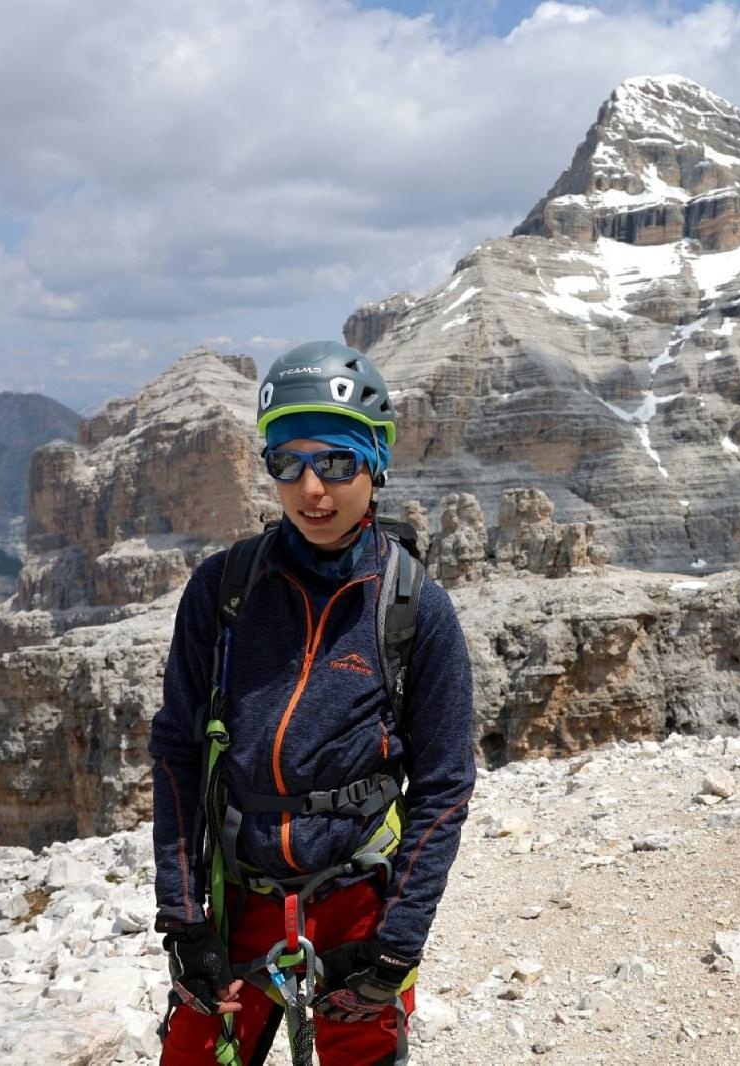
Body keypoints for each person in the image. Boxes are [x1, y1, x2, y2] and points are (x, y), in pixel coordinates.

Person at [149, 341, 475, 1065]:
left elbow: (445, 786)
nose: (311, 490)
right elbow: (175, 750)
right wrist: (183, 918)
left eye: (336, 462)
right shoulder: (223, 589)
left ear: (375, 465)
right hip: (240, 900)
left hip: (358, 902)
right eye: (286, 463)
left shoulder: (416, 609)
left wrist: (397, 946)